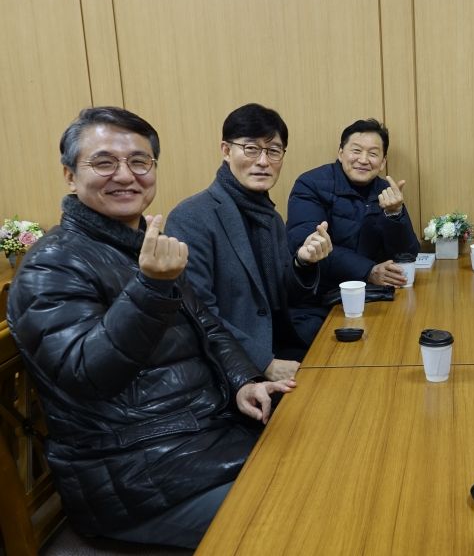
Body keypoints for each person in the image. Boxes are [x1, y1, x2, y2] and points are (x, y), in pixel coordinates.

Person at [6, 107, 294, 549]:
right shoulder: (50, 266)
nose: (125, 175)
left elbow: (208, 326)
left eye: (139, 161)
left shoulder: (142, 246)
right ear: (69, 176)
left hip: (199, 439)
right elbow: (88, 375)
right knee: (305, 514)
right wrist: (151, 287)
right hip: (133, 475)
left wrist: (244, 381)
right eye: (104, 162)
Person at [165, 103, 333, 380]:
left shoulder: (271, 217)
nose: (263, 161)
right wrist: (265, 364)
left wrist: (302, 263)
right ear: (226, 150)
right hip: (232, 366)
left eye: (273, 150)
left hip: (283, 344)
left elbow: (284, 297)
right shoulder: (191, 217)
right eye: (251, 148)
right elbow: (199, 313)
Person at [286, 118, 420, 339]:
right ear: (340, 153)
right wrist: (368, 271)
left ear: (383, 162)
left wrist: (395, 214)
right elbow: (308, 245)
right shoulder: (310, 184)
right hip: (318, 302)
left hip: (373, 298)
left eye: (373, 154)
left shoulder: (386, 191)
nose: (363, 160)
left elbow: (407, 255)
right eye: (356, 150)